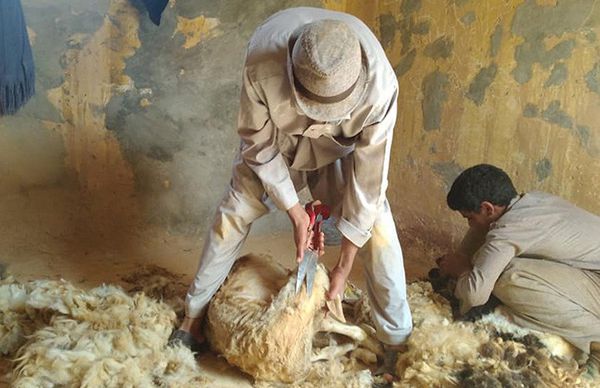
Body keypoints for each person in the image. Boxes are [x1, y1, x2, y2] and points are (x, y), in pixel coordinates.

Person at [169, 6, 413, 375]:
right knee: (232, 216)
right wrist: (294, 210)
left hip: (341, 148)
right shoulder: (263, 63)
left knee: (378, 225)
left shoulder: (381, 88)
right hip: (278, 142)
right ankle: (193, 317)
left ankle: (396, 338)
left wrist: (344, 265)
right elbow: (258, 144)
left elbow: (370, 183)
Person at [437, 163, 600, 370]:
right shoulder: (530, 202)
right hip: (590, 273)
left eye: (470, 218)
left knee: (509, 278)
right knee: (492, 264)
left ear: (487, 208)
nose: (470, 224)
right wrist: (460, 258)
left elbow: (474, 295)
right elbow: (484, 230)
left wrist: (461, 271)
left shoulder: (510, 229)